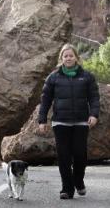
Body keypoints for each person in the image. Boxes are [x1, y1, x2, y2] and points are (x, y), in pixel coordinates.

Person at [38, 43, 100, 199]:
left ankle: (78, 181)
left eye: (71, 55)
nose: (68, 58)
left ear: (76, 58)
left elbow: (94, 98)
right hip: (60, 122)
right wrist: (42, 120)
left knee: (80, 155)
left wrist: (94, 114)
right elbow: (45, 100)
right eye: (65, 56)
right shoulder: (53, 78)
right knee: (64, 157)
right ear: (61, 58)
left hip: (81, 122)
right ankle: (67, 189)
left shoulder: (87, 77)